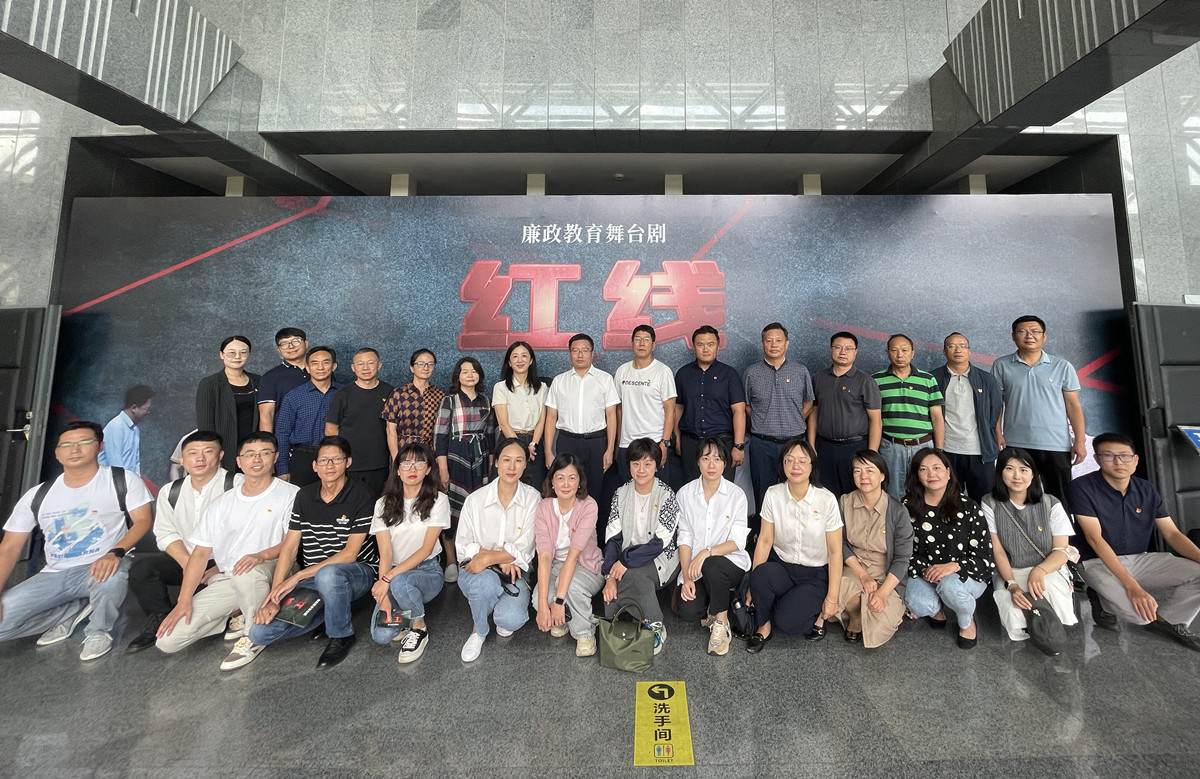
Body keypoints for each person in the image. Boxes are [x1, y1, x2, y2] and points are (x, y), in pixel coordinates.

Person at [0, 421, 153, 661]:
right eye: (67, 445)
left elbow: (143, 520)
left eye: (84, 442)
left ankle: (99, 632)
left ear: (100, 446)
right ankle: (68, 613)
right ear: (57, 453)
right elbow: (8, 548)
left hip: (101, 564)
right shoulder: (38, 495)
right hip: (54, 574)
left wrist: (115, 552)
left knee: (109, 577)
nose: (75, 449)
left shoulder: (121, 479)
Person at [155, 433, 298, 671]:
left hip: (270, 569)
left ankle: (254, 635)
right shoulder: (222, 503)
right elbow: (200, 554)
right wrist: (183, 600)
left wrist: (260, 555)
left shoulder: (291, 494)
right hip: (230, 578)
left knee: (246, 574)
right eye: (250, 455)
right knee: (168, 641)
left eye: (264, 453)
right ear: (239, 461)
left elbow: (291, 544)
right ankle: (237, 611)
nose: (257, 460)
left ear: (275, 458)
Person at [247, 436, 379, 669]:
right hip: (314, 578)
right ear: (315, 465)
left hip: (356, 572)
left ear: (348, 462)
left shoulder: (362, 495)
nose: (330, 465)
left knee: (328, 574)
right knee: (259, 633)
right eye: (324, 460)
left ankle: (341, 635)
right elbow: (290, 548)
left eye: (336, 459)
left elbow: (350, 554)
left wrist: (297, 576)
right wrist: (275, 595)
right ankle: (330, 613)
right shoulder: (304, 496)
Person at [1070, 432, 1200, 650]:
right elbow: (1095, 539)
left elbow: (1172, 534)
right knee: (1139, 616)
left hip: (1140, 559)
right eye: (1109, 456)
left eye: (1125, 456)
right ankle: (1103, 599)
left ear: (1135, 460)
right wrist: (1132, 587)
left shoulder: (1146, 489)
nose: (1118, 462)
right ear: (1097, 459)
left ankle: (1170, 622)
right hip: (1097, 562)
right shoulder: (1082, 487)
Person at [126, 431, 242, 652]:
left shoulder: (236, 485)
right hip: (187, 559)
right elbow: (165, 532)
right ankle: (159, 617)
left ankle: (232, 614)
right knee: (143, 570)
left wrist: (218, 566)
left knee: (203, 607)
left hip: (225, 564)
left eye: (208, 452)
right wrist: (188, 564)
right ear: (182, 459)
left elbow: (249, 534)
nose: (200, 458)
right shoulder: (170, 491)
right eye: (193, 453)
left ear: (220, 456)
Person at [745, 439, 842, 653]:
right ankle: (763, 626)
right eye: (789, 460)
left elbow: (835, 552)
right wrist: (754, 585)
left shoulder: (826, 499)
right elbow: (765, 540)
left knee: (788, 623)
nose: (795, 466)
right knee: (760, 575)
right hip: (783, 567)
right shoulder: (773, 494)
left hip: (814, 574)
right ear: (783, 465)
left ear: (812, 466)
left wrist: (832, 597)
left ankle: (817, 616)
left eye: (802, 461)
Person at [455, 438, 540, 663]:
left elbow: (526, 547)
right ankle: (479, 630)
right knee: (486, 584)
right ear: (496, 462)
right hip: (477, 571)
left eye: (518, 461)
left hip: (514, 572)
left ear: (525, 464)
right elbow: (464, 547)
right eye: (506, 460)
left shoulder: (532, 498)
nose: (512, 467)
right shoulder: (476, 500)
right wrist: (499, 558)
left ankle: (491, 606)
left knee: (510, 621)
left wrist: (488, 557)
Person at [982, 447, 1078, 643]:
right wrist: (1012, 585)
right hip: (1010, 570)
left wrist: (1039, 571)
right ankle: (1032, 628)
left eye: (1024, 470)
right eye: (1009, 469)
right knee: (1014, 606)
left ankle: (1049, 628)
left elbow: (1061, 550)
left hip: (1047, 567)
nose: (1017, 476)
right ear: (1000, 472)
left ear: (1033, 474)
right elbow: (997, 550)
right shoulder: (990, 502)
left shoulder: (1051, 503)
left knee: (1049, 593)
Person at [902, 448, 994, 649]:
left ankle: (966, 621)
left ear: (948, 472)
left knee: (950, 585)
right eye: (923, 469)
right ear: (917, 475)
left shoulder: (969, 507)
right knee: (915, 600)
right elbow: (902, 549)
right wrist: (927, 569)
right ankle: (937, 610)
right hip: (925, 572)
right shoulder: (908, 506)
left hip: (965, 574)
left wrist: (954, 566)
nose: (931, 474)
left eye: (937, 468)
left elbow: (984, 556)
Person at [992, 315, 1086, 507]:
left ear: (1044, 336)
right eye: (1022, 332)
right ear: (1013, 336)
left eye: (1035, 331)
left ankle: (1060, 529)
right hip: (1016, 443)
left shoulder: (1062, 366)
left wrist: (1079, 440)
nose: (1029, 336)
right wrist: (997, 432)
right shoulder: (1001, 365)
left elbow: (1073, 406)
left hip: (1056, 444)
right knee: (1017, 499)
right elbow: (996, 403)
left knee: (1060, 500)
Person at [369, 443, 450, 663]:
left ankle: (419, 628)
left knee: (401, 583)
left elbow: (425, 550)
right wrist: (383, 593)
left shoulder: (438, 500)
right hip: (394, 572)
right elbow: (385, 552)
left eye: (419, 463)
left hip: (427, 571)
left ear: (428, 469)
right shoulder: (382, 504)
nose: (412, 469)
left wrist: (388, 580)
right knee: (381, 635)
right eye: (406, 463)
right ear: (397, 470)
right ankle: (408, 608)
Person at [601, 438, 681, 654]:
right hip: (625, 558)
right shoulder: (621, 493)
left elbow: (660, 543)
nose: (641, 470)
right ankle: (626, 617)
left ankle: (655, 624)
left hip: (662, 558)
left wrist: (624, 562)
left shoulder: (667, 495)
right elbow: (613, 537)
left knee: (634, 576)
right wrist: (609, 576)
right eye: (635, 464)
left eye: (647, 464)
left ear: (657, 465)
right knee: (613, 588)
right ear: (629, 466)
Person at [674, 437, 749, 656]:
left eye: (717, 459)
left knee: (712, 564)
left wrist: (705, 553)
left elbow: (738, 542)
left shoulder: (736, 495)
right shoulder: (685, 494)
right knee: (688, 611)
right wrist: (687, 577)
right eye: (706, 458)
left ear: (725, 463)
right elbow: (684, 537)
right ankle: (711, 607)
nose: (711, 465)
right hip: (697, 568)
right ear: (698, 462)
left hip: (730, 563)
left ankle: (721, 622)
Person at [834, 449, 912, 648]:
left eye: (870, 470)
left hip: (885, 574)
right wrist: (862, 575)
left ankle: (863, 609)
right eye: (857, 471)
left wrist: (883, 592)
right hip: (854, 568)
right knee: (837, 586)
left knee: (879, 630)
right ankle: (856, 615)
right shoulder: (844, 502)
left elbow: (902, 558)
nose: (863, 476)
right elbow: (839, 543)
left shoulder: (897, 511)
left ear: (882, 475)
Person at [532, 453, 604, 657]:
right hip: (556, 564)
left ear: (579, 481)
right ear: (552, 482)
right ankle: (563, 619)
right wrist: (543, 606)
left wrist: (558, 602)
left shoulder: (588, 505)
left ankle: (585, 633)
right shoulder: (544, 508)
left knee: (569, 589)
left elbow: (573, 556)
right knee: (538, 598)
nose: (566, 484)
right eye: (560, 478)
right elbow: (545, 557)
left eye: (572, 478)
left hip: (587, 565)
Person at [743, 322, 814, 524]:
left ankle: (793, 533)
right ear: (762, 343)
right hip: (762, 444)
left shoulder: (800, 371)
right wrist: (763, 421)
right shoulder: (751, 373)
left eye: (778, 340)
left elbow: (809, 402)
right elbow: (746, 406)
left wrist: (794, 419)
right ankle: (762, 535)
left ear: (787, 344)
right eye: (769, 340)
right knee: (763, 493)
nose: (774, 345)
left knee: (795, 492)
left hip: (794, 444)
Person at [435, 356, 497, 583]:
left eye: (474, 371)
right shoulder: (449, 401)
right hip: (455, 456)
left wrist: (490, 465)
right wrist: (443, 470)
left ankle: (474, 558)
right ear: (457, 376)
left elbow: (490, 436)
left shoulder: (486, 401)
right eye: (465, 371)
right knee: (453, 510)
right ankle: (451, 560)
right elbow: (440, 437)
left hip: (480, 459)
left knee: (478, 510)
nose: (470, 375)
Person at [543, 333, 620, 507]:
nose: (580, 354)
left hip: (596, 443)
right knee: (566, 490)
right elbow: (551, 418)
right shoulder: (559, 381)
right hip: (567, 442)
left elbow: (611, 416)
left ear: (592, 353)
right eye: (575, 350)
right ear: (569, 353)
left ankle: (593, 525)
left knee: (595, 491)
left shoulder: (605, 379)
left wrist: (609, 449)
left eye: (585, 350)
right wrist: (548, 451)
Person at [808, 331, 882, 496]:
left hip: (855, 448)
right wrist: (811, 446)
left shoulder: (865, 381)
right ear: (830, 349)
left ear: (855, 352)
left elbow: (876, 420)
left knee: (854, 495)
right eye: (838, 347)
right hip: (824, 447)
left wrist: (870, 455)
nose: (843, 352)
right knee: (825, 494)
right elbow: (814, 413)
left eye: (848, 348)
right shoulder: (819, 378)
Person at [873, 334, 945, 499]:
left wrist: (938, 450)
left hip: (923, 445)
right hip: (891, 447)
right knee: (893, 493)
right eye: (894, 350)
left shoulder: (928, 379)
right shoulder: (876, 380)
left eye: (904, 350)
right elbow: (874, 419)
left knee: (925, 492)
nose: (900, 355)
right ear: (887, 352)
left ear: (912, 353)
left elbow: (937, 418)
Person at [932, 333, 1003, 502]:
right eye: (952, 346)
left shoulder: (987, 379)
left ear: (969, 351)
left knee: (984, 501)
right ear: (944, 351)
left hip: (979, 451)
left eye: (963, 346)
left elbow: (996, 410)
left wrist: (997, 435)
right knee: (948, 500)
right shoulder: (932, 378)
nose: (958, 350)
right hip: (947, 450)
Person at [673, 325, 747, 482]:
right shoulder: (683, 373)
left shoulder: (729, 374)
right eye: (700, 344)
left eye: (710, 344)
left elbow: (739, 411)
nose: (705, 349)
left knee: (723, 490)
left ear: (718, 346)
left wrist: (738, 445)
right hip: (691, 443)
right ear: (693, 347)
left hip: (723, 442)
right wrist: (678, 439)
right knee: (692, 489)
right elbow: (678, 408)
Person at [326, 347, 395, 497]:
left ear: (379, 365)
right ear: (353, 367)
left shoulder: (390, 392)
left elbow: (394, 429)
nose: (365, 368)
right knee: (349, 503)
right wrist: (340, 458)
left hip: (380, 463)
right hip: (350, 464)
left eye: (370, 363)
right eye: (360, 363)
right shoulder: (342, 394)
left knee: (378, 504)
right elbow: (330, 429)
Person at [614, 324, 677, 482]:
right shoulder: (622, 371)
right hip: (627, 444)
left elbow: (670, 410)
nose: (642, 343)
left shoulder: (663, 371)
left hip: (654, 443)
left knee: (655, 492)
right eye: (638, 339)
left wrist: (664, 443)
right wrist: (617, 442)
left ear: (653, 345)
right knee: (628, 490)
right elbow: (619, 409)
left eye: (646, 339)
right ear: (632, 343)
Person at [275, 346, 341, 488]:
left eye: (326, 362)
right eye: (315, 363)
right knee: (300, 498)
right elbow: (282, 433)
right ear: (308, 368)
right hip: (302, 457)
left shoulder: (344, 393)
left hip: (336, 456)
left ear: (334, 366)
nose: (320, 367)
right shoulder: (293, 396)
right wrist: (282, 468)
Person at [196, 336, 260, 472]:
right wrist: (214, 457)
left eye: (243, 352)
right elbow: (205, 426)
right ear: (221, 354)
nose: (237, 356)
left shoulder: (259, 381)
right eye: (231, 353)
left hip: (254, 450)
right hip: (225, 450)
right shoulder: (210, 384)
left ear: (249, 354)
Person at [492, 341, 549, 490]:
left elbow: (542, 420)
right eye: (515, 356)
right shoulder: (501, 387)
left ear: (531, 361)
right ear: (509, 362)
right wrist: (521, 448)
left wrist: (533, 444)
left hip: (534, 445)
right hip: (509, 440)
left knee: (535, 489)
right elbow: (503, 423)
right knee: (506, 487)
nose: (520, 360)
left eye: (524, 356)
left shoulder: (542, 387)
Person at [382, 348, 445, 458]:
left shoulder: (440, 395)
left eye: (430, 364)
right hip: (403, 451)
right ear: (412, 368)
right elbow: (390, 430)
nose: (426, 368)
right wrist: (396, 458)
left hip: (429, 453)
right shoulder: (399, 394)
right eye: (421, 364)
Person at [257, 327, 309, 433]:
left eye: (296, 341)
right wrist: (268, 441)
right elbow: (267, 414)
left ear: (306, 343)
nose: (291, 346)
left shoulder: (321, 371)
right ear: (279, 349)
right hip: (287, 437)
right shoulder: (270, 377)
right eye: (284, 344)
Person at [97, 385, 154, 474]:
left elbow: (135, 463)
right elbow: (115, 464)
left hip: (128, 480)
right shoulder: (116, 427)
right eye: (147, 409)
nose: (148, 412)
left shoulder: (135, 429)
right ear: (134, 408)